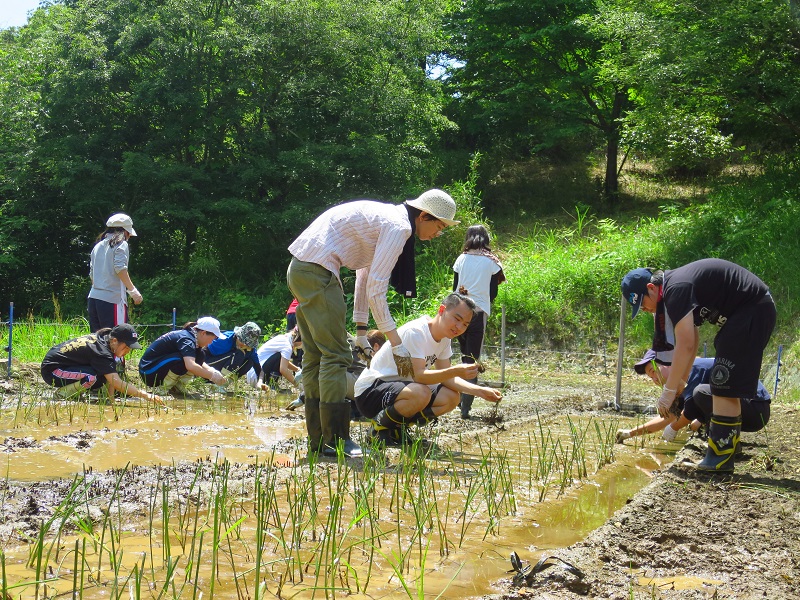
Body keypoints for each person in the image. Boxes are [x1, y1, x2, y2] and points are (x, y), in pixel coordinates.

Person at [287, 189, 460, 458]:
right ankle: (336, 440)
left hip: (300, 268)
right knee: (335, 356)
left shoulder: (388, 218)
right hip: (318, 269)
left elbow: (364, 276)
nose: (437, 234)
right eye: (438, 226)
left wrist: (360, 331)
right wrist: (396, 342)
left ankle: (320, 441)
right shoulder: (400, 226)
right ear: (424, 215)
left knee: (315, 357)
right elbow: (377, 290)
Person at [621, 258, 776, 472]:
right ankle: (723, 455)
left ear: (651, 288)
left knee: (723, 386)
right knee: (723, 384)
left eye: (643, 304)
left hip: (752, 310)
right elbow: (692, 342)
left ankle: (719, 460)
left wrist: (668, 391)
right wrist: (681, 383)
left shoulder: (675, 288)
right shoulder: (675, 288)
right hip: (748, 313)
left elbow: (684, 344)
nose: (646, 310)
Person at [354, 293, 502, 447]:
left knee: (451, 397)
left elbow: (447, 378)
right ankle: (377, 429)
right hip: (370, 392)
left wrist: (480, 391)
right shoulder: (416, 333)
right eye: (457, 319)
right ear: (442, 310)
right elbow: (419, 376)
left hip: (401, 390)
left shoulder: (445, 339)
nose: (459, 327)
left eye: (465, 324)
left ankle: (398, 428)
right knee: (421, 392)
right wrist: (455, 371)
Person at [617, 349, 771, 443]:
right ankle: (721, 438)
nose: (654, 379)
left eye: (653, 371)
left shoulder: (690, 369)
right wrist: (630, 433)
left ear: (667, 362)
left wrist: (674, 427)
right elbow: (668, 416)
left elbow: (689, 410)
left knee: (700, 393)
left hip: (755, 406)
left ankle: (721, 443)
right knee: (698, 405)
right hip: (746, 410)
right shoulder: (679, 384)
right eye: (650, 378)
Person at [452, 224, 505, 419]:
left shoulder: (461, 259)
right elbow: (493, 293)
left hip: (457, 311)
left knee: (463, 356)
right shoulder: (492, 262)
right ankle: (465, 407)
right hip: (478, 312)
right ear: (486, 240)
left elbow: (454, 287)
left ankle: (458, 400)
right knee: (472, 360)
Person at [41, 323, 163, 404]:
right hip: (52, 371)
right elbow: (116, 382)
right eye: (126, 347)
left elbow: (110, 375)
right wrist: (146, 395)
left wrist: (111, 400)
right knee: (92, 377)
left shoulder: (106, 339)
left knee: (100, 376)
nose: (128, 351)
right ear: (115, 341)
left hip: (66, 366)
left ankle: (74, 393)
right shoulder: (101, 351)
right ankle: (62, 395)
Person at [138, 317, 227, 399]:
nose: (211, 342)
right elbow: (191, 366)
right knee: (181, 359)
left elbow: (198, 361)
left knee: (200, 355)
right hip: (148, 371)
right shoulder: (186, 340)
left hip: (158, 368)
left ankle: (177, 387)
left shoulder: (192, 338)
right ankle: (163, 389)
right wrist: (212, 376)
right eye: (213, 339)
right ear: (203, 333)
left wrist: (212, 370)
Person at [87, 213, 143, 332]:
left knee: (98, 341)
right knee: (116, 339)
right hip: (112, 300)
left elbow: (91, 274)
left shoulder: (98, 246)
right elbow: (120, 269)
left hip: (93, 299)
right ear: (125, 231)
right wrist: (133, 291)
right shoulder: (121, 244)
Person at [202, 321, 263, 392]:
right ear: (237, 336)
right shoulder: (224, 340)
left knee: (250, 361)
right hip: (207, 369)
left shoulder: (251, 350)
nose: (243, 344)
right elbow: (202, 355)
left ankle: (222, 384)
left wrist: (260, 381)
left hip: (221, 372)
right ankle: (216, 383)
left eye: (246, 343)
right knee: (239, 354)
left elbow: (258, 368)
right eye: (241, 340)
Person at [245, 327, 303, 393]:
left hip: (253, 375)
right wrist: (298, 385)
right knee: (279, 356)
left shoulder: (283, 338)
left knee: (279, 356)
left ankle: (270, 384)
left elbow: (284, 362)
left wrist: (298, 370)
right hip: (257, 375)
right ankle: (270, 383)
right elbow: (283, 370)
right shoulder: (287, 346)